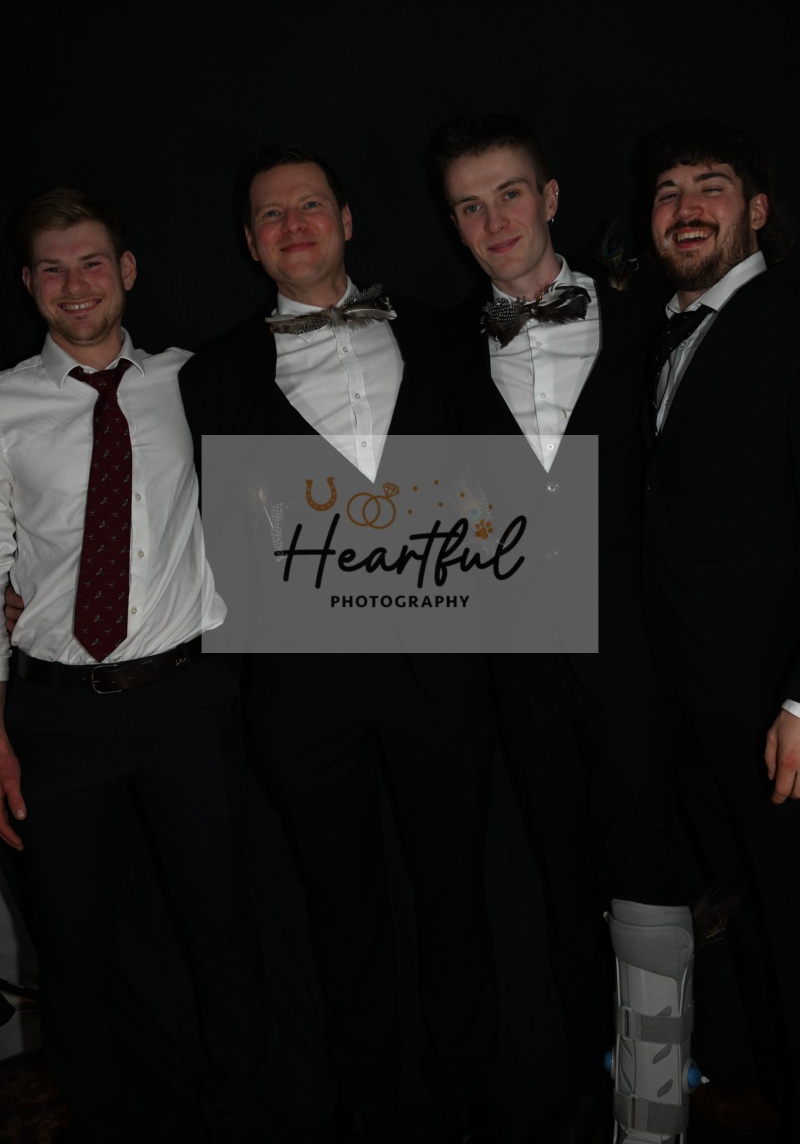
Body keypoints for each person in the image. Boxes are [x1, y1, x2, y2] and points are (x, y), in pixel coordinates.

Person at [177, 144, 502, 1144]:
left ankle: (468, 1094)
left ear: (347, 220)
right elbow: (184, 525)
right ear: (250, 243)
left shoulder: (442, 334)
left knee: (454, 894)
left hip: (441, 675)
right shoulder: (211, 375)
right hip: (302, 694)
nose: (294, 225)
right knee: (340, 910)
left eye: (310, 205)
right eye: (271, 215)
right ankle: (367, 1101)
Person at [433, 114, 695, 1144]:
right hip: (518, 663)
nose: (493, 220)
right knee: (557, 872)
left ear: (546, 198)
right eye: (468, 206)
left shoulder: (647, 318)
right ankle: (594, 1080)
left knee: (650, 867)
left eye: (508, 193)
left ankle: (656, 1103)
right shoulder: (439, 350)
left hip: (637, 651)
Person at [0, 187, 274, 1144]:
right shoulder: (2, 407)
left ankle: (239, 1120)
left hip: (186, 702)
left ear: (126, 271)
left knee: (223, 934)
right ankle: (102, 1125)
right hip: (54, 717)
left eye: (91, 263)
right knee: (74, 957)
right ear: (29, 283)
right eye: (52, 269)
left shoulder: (193, 382)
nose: (74, 285)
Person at [640, 117, 800, 1138]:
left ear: (757, 210)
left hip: (776, 707)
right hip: (696, 705)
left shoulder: (789, 318)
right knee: (751, 918)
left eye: (710, 186)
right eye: (667, 191)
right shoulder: (659, 333)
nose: (686, 207)